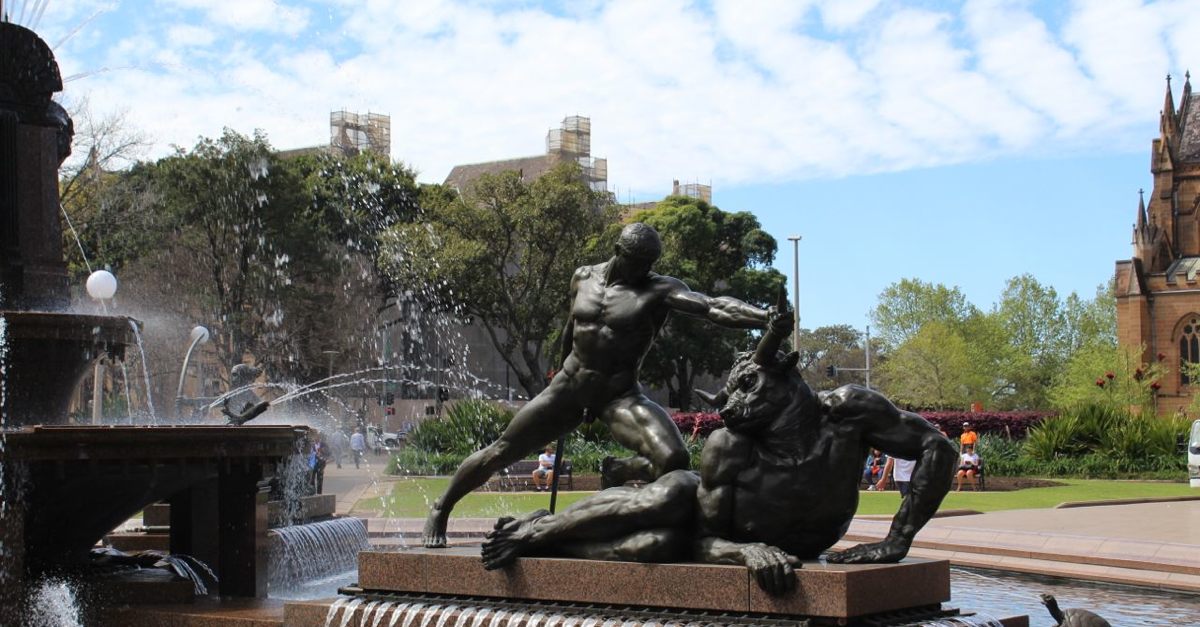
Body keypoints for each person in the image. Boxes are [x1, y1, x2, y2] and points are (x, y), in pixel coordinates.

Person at [480, 308, 957, 595]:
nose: (734, 408)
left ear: (786, 374)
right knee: (667, 498)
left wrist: (898, 540)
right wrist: (747, 552)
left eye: (748, 387)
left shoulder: (850, 411)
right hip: (716, 529)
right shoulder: (730, 446)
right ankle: (538, 533)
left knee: (658, 545)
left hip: (782, 546)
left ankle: (542, 534)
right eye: (731, 396)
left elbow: (937, 447)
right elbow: (704, 540)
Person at [423, 222, 773, 547]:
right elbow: (570, 329)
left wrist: (762, 317)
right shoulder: (583, 277)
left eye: (648, 263)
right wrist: (556, 376)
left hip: (618, 395)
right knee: (502, 450)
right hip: (569, 387)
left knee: (675, 458)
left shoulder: (659, 289)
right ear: (619, 252)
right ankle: (441, 507)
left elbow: (712, 307)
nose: (643, 269)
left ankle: (620, 470)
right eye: (637, 262)